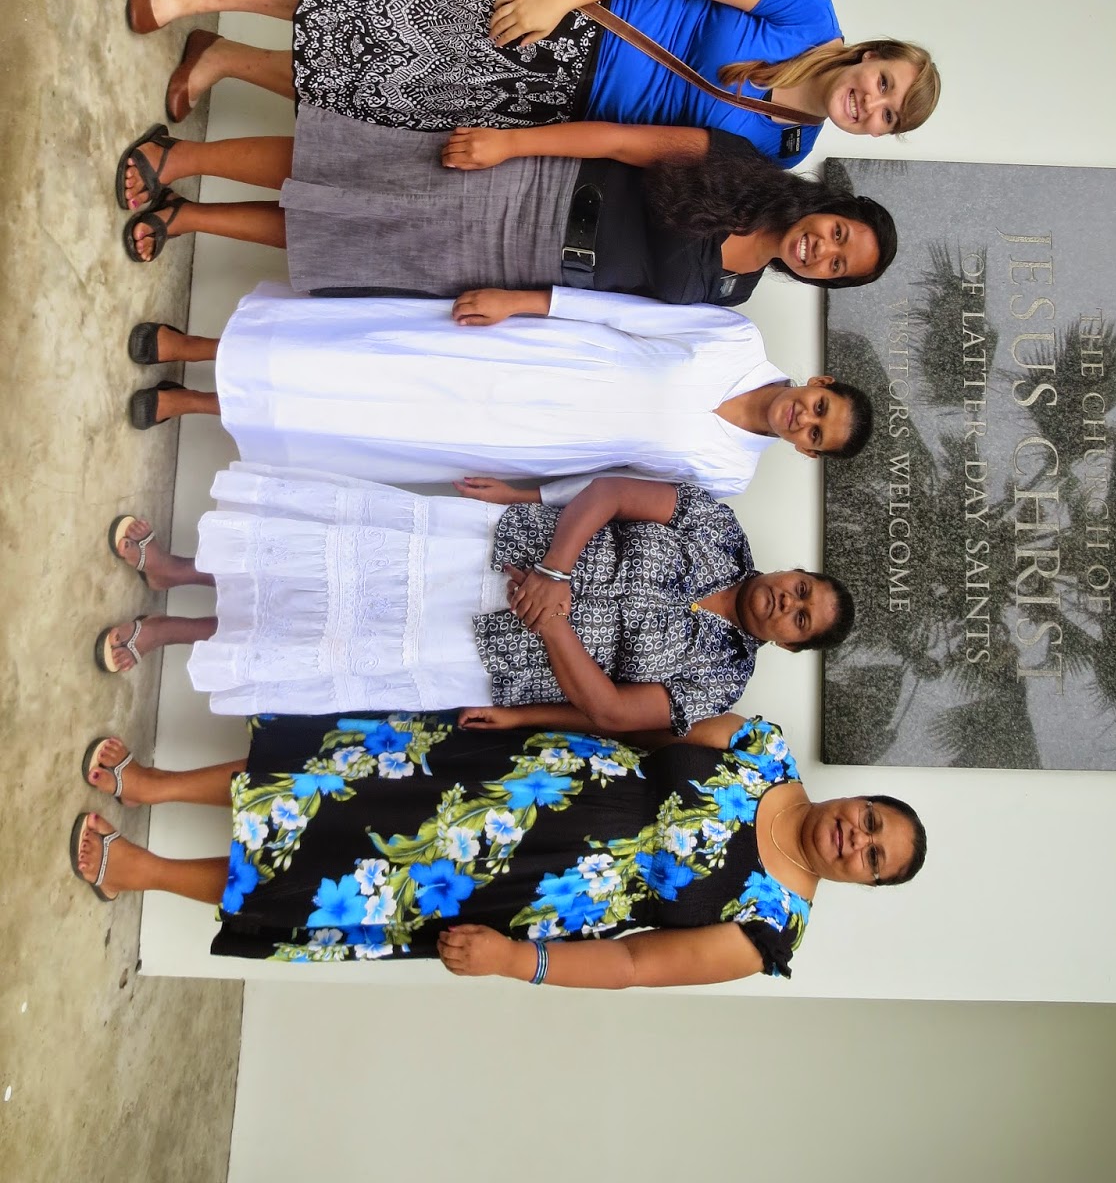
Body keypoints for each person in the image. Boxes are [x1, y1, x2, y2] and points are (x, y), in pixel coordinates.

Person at [70, 710, 927, 983]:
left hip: (526, 890)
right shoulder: (760, 748)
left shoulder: (772, 927)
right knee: (338, 774)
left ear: (863, 881)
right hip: (519, 775)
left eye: (872, 858)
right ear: (860, 798)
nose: (858, 839)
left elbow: (636, 966)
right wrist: (525, 716)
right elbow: (632, 727)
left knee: (340, 881)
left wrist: (520, 962)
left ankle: (143, 870)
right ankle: (151, 785)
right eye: (873, 821)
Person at [96, 473, 855, 737]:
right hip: (501, 546)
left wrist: (551, 624)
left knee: (346, 634)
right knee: (341, 563)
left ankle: (170, 630)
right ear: (794, 570)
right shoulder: (718, 529)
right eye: (802, 589)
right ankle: (175, 568)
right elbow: (610, 494)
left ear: (788, 644)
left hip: (502, 652)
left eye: (800, 618)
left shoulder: (721, 680)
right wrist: (553, 574)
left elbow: (614, 712)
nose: (788, 602)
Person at [125, 0, 940, 172]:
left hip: (552, 104)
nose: (870, 104)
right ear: (870, 54)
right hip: (573, 21)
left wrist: (528, 148)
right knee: (364, 6)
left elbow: (653, 153)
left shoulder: (788, 149)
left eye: (886, 116)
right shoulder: (808, 14)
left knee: (368, 86)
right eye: (883, 83)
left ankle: (222, 58)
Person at [124, 286, 874, 492]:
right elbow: (625, 313)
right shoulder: (737, 338)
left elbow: (616, 485)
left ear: (808, 453)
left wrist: (526, 496)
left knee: (366, 418)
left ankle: (192, 403)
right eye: (819, 408)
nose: (802, 420)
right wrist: (521, 301)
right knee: (362, 360)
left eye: (815, 435)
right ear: (821, 381)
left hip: (527, 441)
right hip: (533, 356)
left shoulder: (732, 473)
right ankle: (192, 347)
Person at [116, 115, 897, 304]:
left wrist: (519, 302)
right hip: (538, 186)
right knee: (346, 168)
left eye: (837, 265)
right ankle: (181, 158)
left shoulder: (733, 295)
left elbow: (615, 317)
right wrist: (510, 146)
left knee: (346, 238)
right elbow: (625, 143)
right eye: (839, 234)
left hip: (521, 264)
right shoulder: (744, 164)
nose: (822, 251)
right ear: (830, 206)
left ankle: (187, 218)